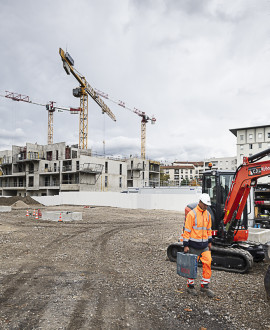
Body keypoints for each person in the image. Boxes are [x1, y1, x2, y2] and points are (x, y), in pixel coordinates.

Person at [182, 193, 215, 297]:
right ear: (200, 202)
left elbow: (209, 230)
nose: (206, 206)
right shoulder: (192, 214)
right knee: (192, 266)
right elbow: (186, 231)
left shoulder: (208, 215)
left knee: (208, 262)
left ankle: (204, 286)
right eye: (205, 204)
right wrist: (185, 245)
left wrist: (209, 242)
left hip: (204, 245)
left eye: (207, 205)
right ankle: (190, 286)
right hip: (193, 245)